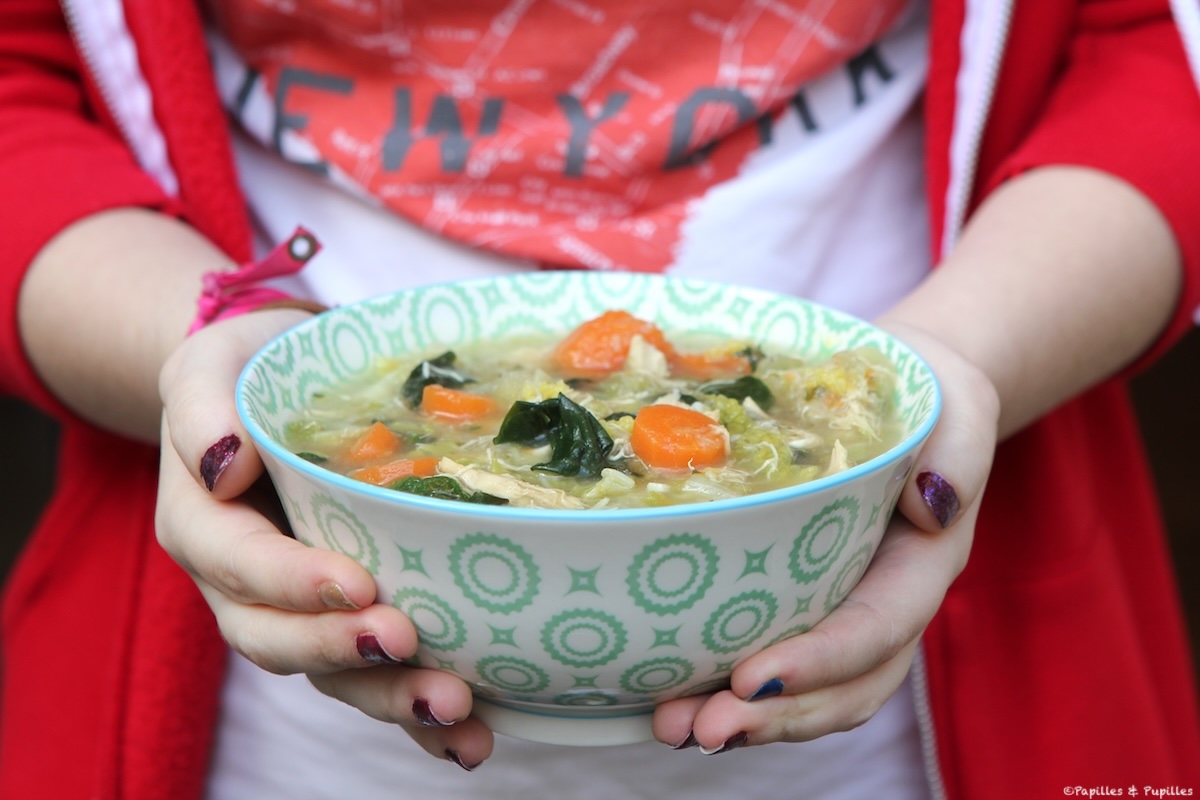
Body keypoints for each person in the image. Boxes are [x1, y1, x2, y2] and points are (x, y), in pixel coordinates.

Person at [2, 0, 1199, 797]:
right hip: (260, 712)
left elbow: (1150, 44)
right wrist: (215, 343)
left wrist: (951, 359)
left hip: (928, 671)